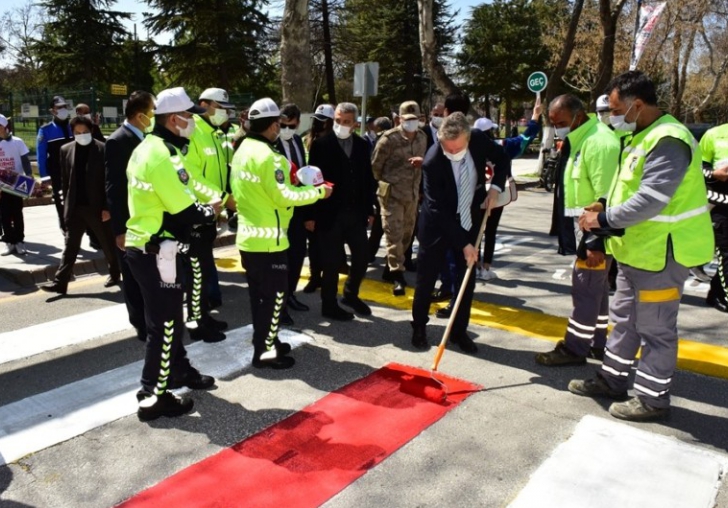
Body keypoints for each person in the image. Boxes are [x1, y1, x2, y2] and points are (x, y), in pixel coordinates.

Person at [569, 71, 714, 422]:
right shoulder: (639, 136)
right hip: (636, 252)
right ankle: (612, 379)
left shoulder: (669, 139)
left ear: (637, 104)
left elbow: (651, 199)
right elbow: (628, 188)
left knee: (656, 330)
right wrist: (603, 204)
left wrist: (601, 221)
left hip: (663, 255)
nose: (610, 117)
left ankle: (652, 399)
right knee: (624, 322)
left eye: (615, 109)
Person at [126, 87, 219, 421]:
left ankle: (177, 371)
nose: (193, 120)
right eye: (190, 116)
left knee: (170, 321)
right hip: (156, 250)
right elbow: (182, 207)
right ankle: (153, 395)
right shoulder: (160, 154)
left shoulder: (155, 147)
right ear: (173, 118)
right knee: (165, 326)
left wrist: (214, 198)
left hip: (154, 248)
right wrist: (209, 212)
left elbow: (189, 183)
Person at [231, 97, 332, 369]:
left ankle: (267, 342)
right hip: (270, 241)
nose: (280, 129)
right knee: (274, 298)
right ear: (273, 125)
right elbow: (283, 195)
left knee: (260, 298)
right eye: (278, 124)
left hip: (251, 237)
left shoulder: (242, 150)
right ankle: (264, 352)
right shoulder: (270, 157)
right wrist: (319, 192)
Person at [411, 111, 510, 353]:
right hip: (437, 225)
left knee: (465, 280)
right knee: (426, 278)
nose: (452, 154)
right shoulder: (433, 160)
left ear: (467, 138)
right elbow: (436, 209)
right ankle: (419, 327)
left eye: (457, 149)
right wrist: (464, 244)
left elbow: (503, 157)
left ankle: (458, 331)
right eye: (448, 149)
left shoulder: (478, 138)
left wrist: (495, 188)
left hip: (469, 217)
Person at [535, 94, 619, 366]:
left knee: (585, 289)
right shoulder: (582, 138)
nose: (557, 127)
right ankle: (596, 342)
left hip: (594, 235)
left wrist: (595, 242)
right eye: (553, 122)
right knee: (597, 291)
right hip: (585, 231)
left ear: (578, 117)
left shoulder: (599, 142)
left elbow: (606, 198)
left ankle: (575, 348)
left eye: (560, 122)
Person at [307, 102, 376, 320]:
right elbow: (312, 181)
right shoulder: (321, 145)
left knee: (362, 256)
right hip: (329, 214)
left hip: (355, 214)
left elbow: (367, 179)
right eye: (338, 121)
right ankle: (329, 304)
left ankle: (350, 294)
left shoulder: (362, 145)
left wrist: (369, 208)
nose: (341, 125)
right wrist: (310, 215)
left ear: (355, 123)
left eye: (346, 122)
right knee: (331, 262)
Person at [41, 115, 120, 294]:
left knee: (107, 244)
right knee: (70, 246)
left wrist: (107, 207)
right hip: (75, 207)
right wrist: (65, 206)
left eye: (85, 132)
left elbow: (110, 181)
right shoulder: (66, 150)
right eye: (77, 132)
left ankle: (115, 273)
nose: (81, 135)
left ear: (91, 131)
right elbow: (65, 180)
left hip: (98, 208)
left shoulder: (103, 149)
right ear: (73, 132)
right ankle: (60, 282)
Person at [183, 87, 237, 342]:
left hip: (210, 212)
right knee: (196, 271)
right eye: (219, 106)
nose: (223, 112)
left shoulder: (215, 133)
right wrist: (224, 198)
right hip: (195, 211)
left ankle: (203, 316)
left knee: (202, 269)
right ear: (204, 104)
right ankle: (197, 324)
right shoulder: (193, 130)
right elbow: (192, 177)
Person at [105, 91, 156, 342]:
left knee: (148, 274)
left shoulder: (147, 138)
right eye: (152, 111)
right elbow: (114, 187)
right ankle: (140, 324)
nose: (155, 115)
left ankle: (151, 318)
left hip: (147, 219)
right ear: (140, 116)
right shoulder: (118, 141)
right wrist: (120, 230)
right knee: (133, 276)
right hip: (130, 223)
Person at [372, 101, 427, 296]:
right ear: (399, 119)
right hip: (392, 195)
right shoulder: (389, 139)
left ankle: (390, 268)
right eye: (408, 119)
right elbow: (376, 166)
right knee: (393, 234)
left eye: (415, 119)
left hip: (411, 195)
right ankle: (397, 276)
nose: (412, 123)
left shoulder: (422, 138)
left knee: (406, 234)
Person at [276, 103, 310, 325]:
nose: (287, 129)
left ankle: (290, 295)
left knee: (297, 254)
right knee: (281, 260)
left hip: (298, 207)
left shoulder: (298, 140)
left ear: (298, 123)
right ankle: (279, 306)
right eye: (283, 125)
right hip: (279, 209)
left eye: (292, 125)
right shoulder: (271, 142)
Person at [301, 103, 335, 294]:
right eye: (317, 120)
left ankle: (328, 274)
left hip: (329, 196)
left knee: (329, 243)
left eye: (323, 120)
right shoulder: (308, 140)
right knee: (314, 243)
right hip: (312, 197)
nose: (318, 124)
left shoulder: (334, 142)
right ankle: (315, 277)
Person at [699, 123, 728, 313]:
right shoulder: (714, 134)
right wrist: (714, 174)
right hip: (722, 205)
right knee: (726, 252)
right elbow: (696, 169)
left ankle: (716, 292)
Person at [37, 96, 73, 232]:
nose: (63, 110)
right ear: (52, 111)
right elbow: (41, 155)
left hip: (75, 170)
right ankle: (66, 229)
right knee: (61, 200)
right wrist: (44, 176)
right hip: (57, 172)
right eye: (59, 107)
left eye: (65, 107)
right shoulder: (45, 130)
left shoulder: (74, 126)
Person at [0, 115, 31, 256]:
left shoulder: (17, 142)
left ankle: (19, 241)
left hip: (16, 181)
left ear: (5, 126)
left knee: (17, 212)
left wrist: (29, 175)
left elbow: (25, 160)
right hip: (1, 182)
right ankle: (9, 242)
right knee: (4, 214)